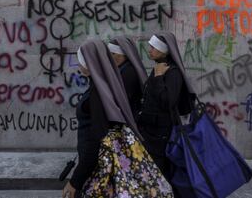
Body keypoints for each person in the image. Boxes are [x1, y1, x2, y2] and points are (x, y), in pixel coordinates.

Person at [62, 39, 173, 198]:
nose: (79, 66)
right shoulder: (103, 85)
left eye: (81, 61)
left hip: (96, 168)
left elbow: (94, 140)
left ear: (89, 63)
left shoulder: (98, 92)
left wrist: (75, 182)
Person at [136, 32, 196, 183]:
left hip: (162, 133)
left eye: (153, 47)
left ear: (164, 50)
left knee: (160, 172)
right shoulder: (159, 68)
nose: (149, 50)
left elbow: (168, 101)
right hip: (151, 131)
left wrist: (158, 78)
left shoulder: (173, 72)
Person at [108, 35, 148, 117]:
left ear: (123, 54)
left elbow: (124, 99)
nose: (110, 57)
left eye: (113, 53)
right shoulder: (122, 68)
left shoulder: (128, 71)